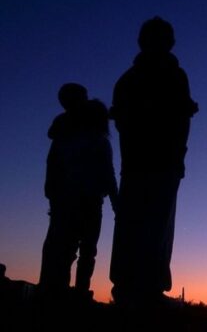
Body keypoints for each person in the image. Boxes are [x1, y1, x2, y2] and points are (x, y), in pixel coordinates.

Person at [109, 16, 198, 307]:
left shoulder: (127, 79)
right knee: (155, 226)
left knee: (132, 226)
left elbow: (123, 121)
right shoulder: (173, 76)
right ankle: (147, 291)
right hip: (159, 163)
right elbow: (180, 119)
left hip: (138, 164)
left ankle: (128, 288)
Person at [39, 87, 118, 302]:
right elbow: (108, 174)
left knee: (67, 249)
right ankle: (78, 292)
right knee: (84, 250)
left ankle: (61, 291)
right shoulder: (97, 142)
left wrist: (51, 191)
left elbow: (52, 164)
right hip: (86, 201)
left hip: (69, 199)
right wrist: (116, 202)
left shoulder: (65, 138)